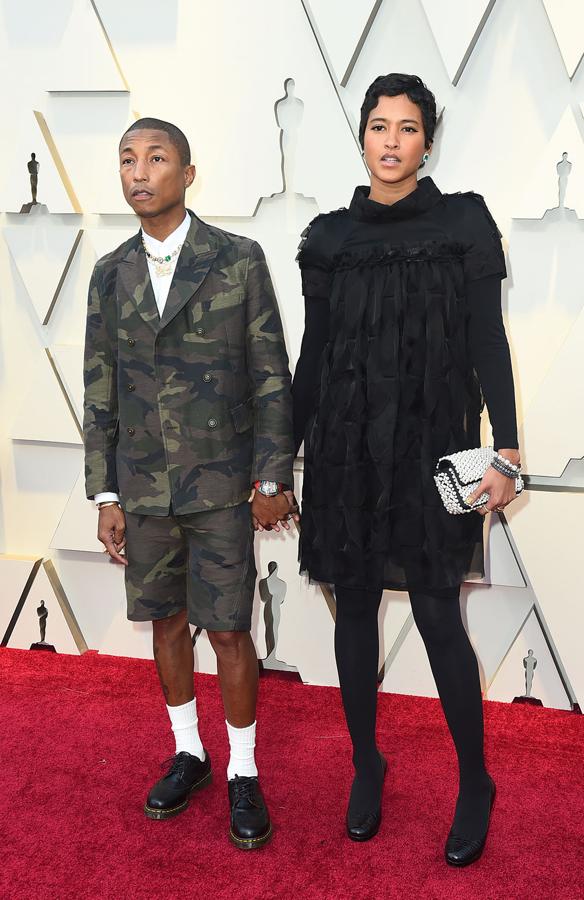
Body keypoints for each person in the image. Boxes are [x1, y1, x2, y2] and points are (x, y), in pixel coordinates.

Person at [292, 74, 521, 866]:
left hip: (433, 451)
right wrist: (272, 462)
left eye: (409, 128)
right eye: (380, 126)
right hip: (346, 450)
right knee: (351, 609)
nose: (392, 141)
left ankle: (475, 782)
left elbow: (488, 340)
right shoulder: (328, 239)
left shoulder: (463, 224)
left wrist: (510, 450)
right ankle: (367, 764)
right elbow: (313, 358)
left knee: (435, 615)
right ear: (361, 136)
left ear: (430, 140)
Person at [83, 117, 297, 849]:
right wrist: (105, 494)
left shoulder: (237, 260)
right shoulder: (109, 273)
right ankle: (190, 753)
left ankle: (243, 770)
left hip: (222, 484)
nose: (139, 172)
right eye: (127, 159)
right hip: (143, 488)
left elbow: (271, 374)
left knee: (231, 630)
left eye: (156, 157)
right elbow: (100, 389)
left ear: (188, 171)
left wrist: (274, 472)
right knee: (167, 624)